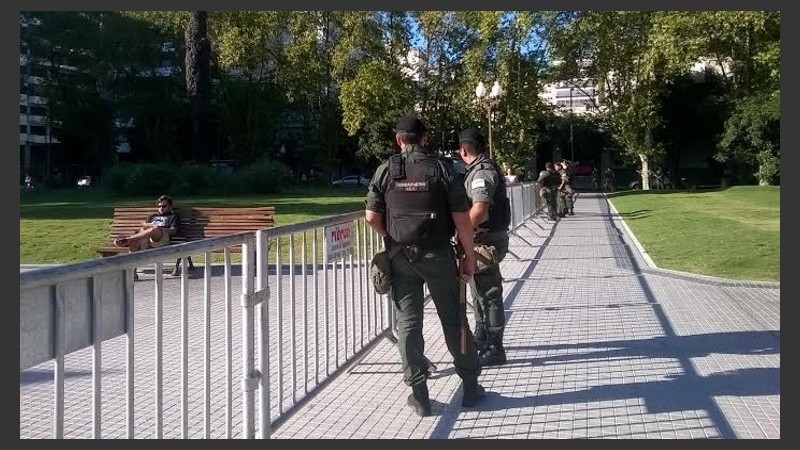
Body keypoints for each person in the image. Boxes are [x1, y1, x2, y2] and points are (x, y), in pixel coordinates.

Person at [364, 115, 485, 417]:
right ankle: (470, 386)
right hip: (439, 256)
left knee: (408, 325)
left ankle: (420, 395)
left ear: (398, 140)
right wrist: (468, 256)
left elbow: (370, 217)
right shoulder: (442, 170)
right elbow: (461, 221)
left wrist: (390, 238)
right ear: (425, 137)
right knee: (454, 318)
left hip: (400, 258)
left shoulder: (385, 171)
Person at [456, 128, 511, 367]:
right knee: (478, 291)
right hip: (481, 239)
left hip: (486, 240)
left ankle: (496, 347)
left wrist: (462, 231)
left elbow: (479, 208)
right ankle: (482, 335)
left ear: (463, 149)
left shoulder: (481, 172)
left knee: (489, 294)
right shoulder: (479, 169)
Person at [113, 194, 182, 276]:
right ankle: (133, 272)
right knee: (136, 240)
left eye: (164, 206)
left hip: (162, 240)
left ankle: (127, 239)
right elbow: (144, 226)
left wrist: (158, 228)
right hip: (147, 241)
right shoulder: (153, 216)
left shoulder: (173, 216)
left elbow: (173, 231)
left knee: (154, 229)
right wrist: (148, 226)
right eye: (159, 206)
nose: (161, 208)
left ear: (170, 206)